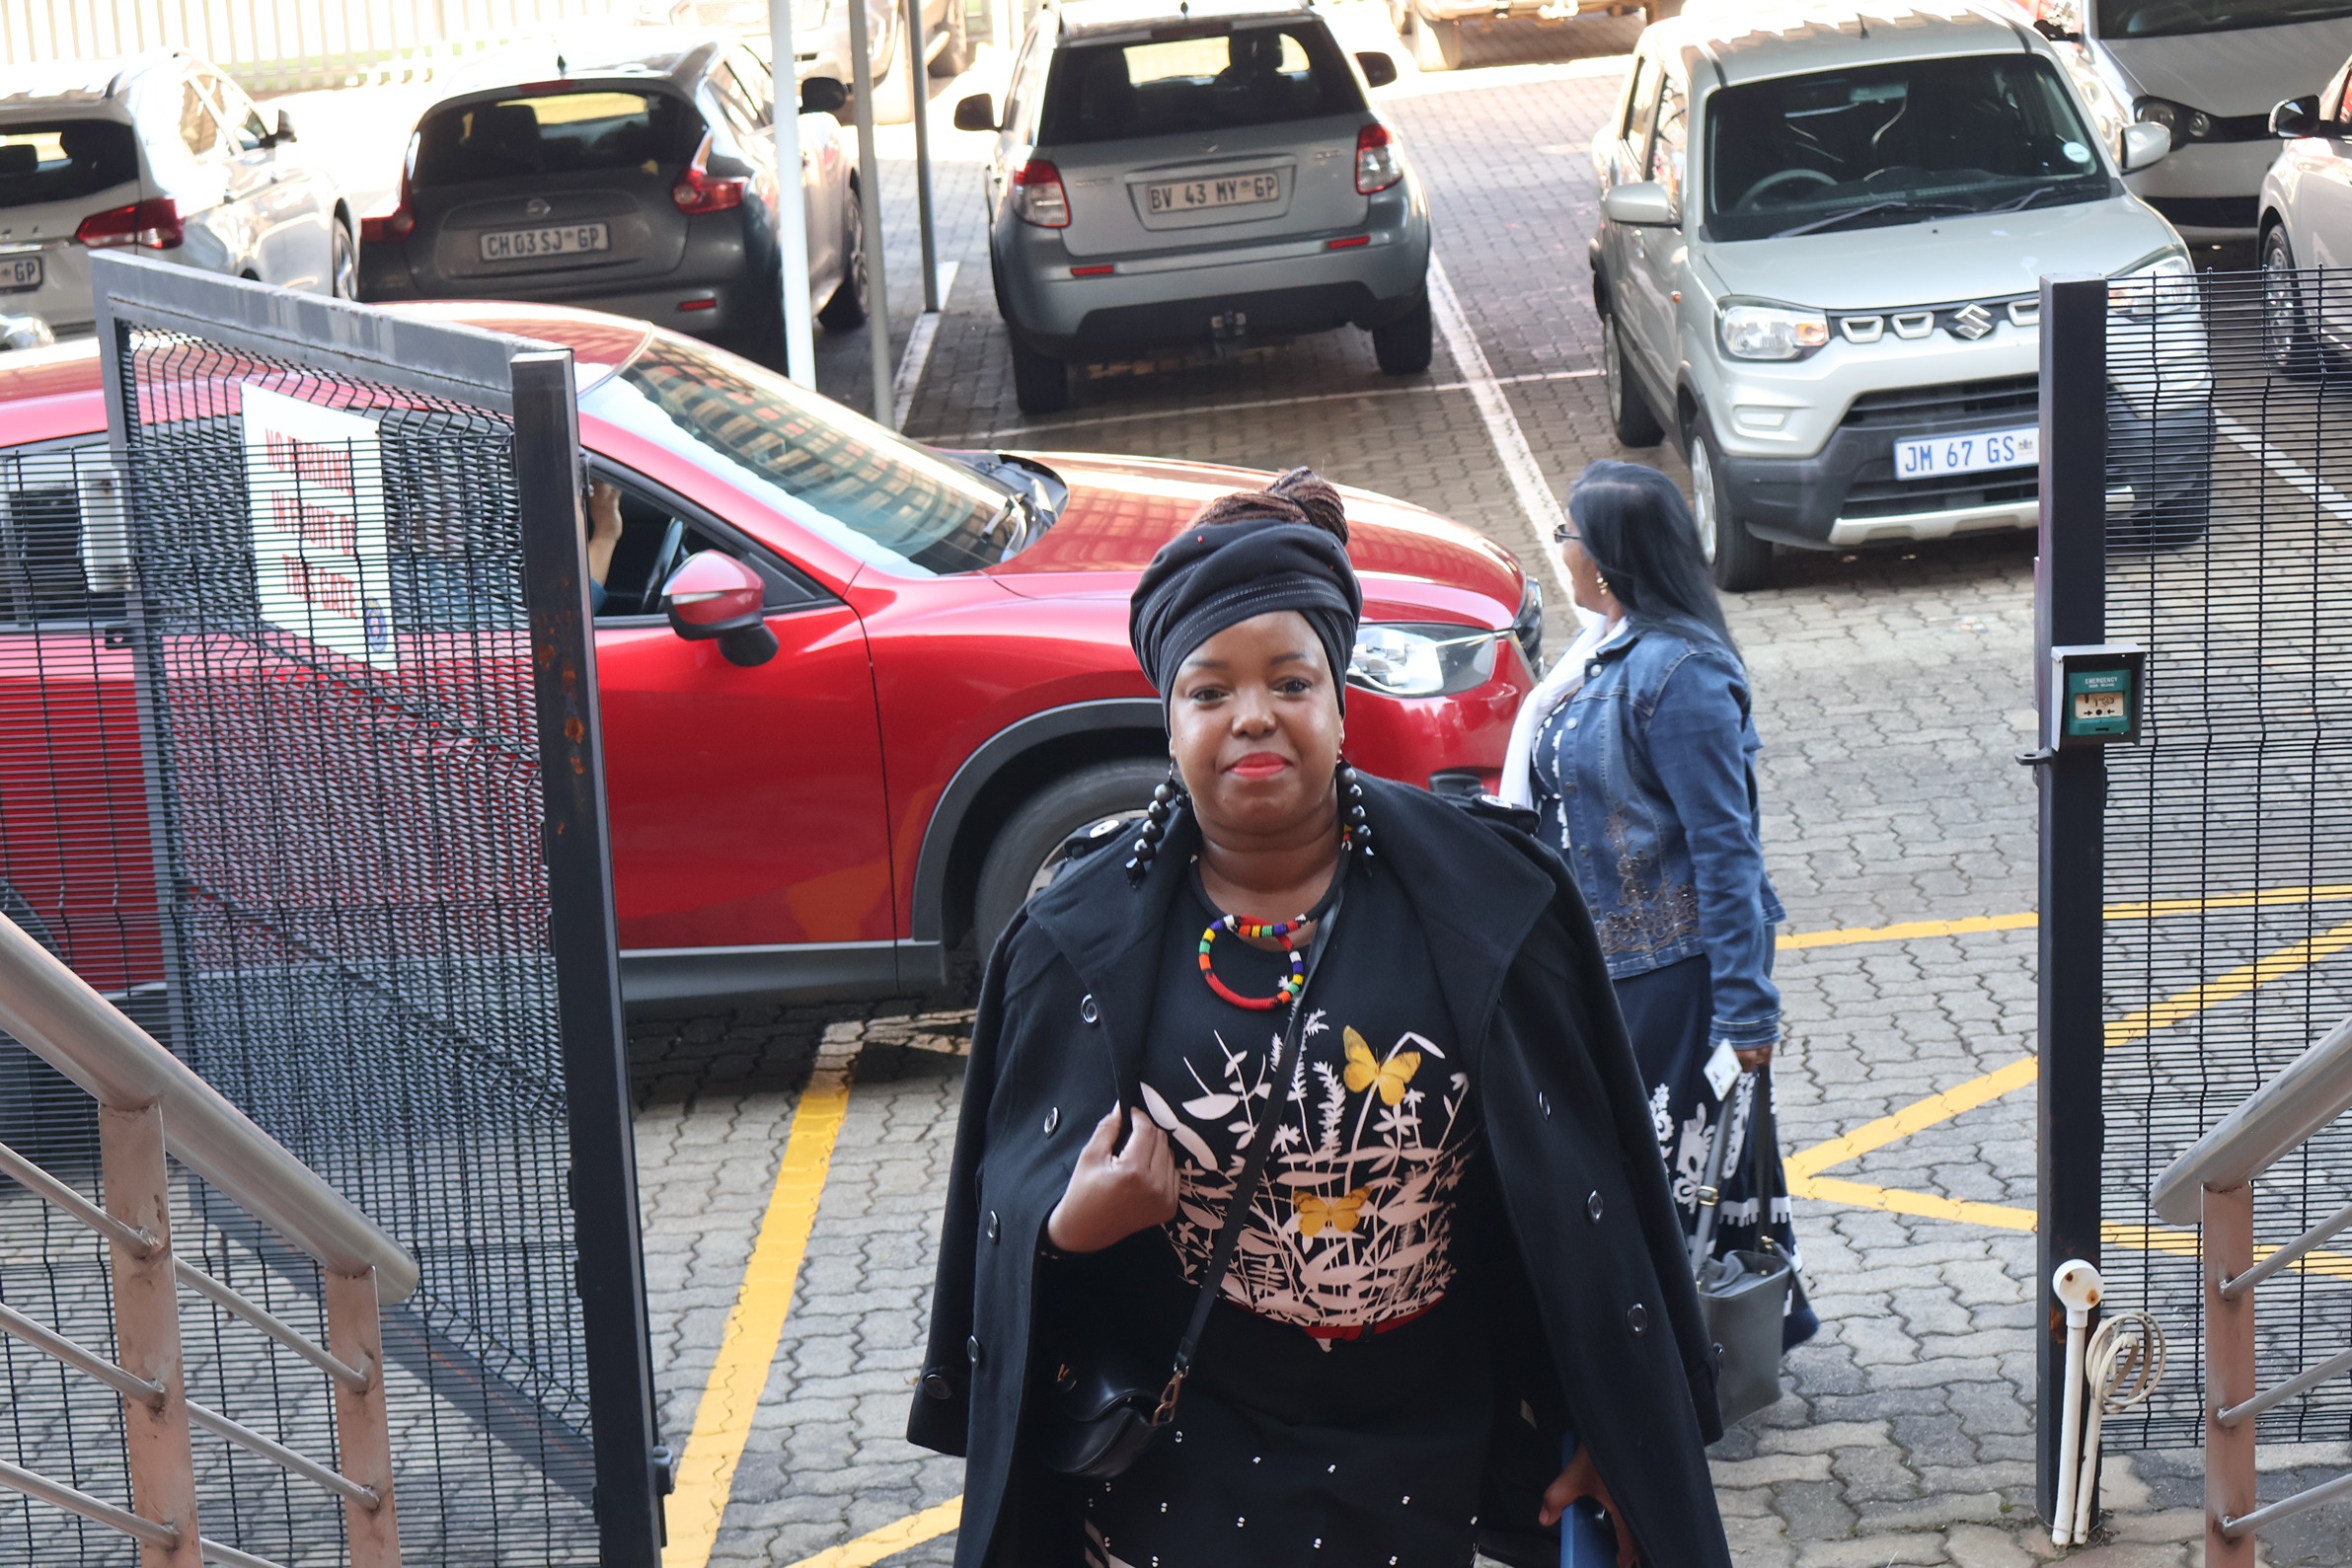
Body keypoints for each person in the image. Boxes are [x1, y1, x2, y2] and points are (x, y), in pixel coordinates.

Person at [910, 468, 1732, 1568]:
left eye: (1290, 680)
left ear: (1339, 702)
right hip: (1182, 1459)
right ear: (1169, 723)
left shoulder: (1496, 903)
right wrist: (1068, 1228)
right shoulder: (1071, 942)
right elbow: (1004, 1217)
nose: (1252, 713)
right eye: (1209, 690)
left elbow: (1586, 1202)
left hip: (1429, 1448)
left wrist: (1611, 1434)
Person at [1502, 459, 1817, 1350]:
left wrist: (1745, 1009)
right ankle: (1713, 1343)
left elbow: (1726, 846)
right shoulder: (1601, 649)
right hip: (1605, 970)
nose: (1559, 548)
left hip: (1670, 980)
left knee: (1675, 1177)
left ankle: (1689, 1352)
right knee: (1665, 1173)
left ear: (1606, 557)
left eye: (1566, 533)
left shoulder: (1680, 674)